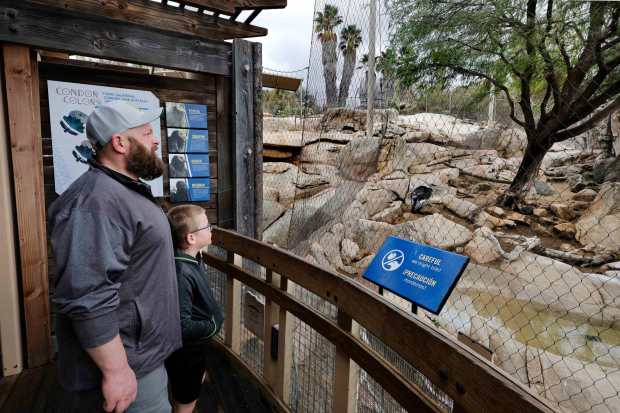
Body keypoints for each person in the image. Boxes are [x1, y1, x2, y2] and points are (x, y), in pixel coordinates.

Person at [48, 101, 182, 413]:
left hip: (140, 358)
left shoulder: (120, 190)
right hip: (127, 367)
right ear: (119, 142)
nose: (156, 140)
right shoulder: (94, 202)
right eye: (147, 132)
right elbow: (87, 294)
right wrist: (116, 371)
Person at [165, 205, 224, 413]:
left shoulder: (190, 260)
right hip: (186, 354)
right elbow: (182, 325)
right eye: (207, 226)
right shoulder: (182, 271)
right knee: (185, 403)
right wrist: (212, 325)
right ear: (190, 238)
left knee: (187, 395)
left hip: (193, 351)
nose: (211, 229)